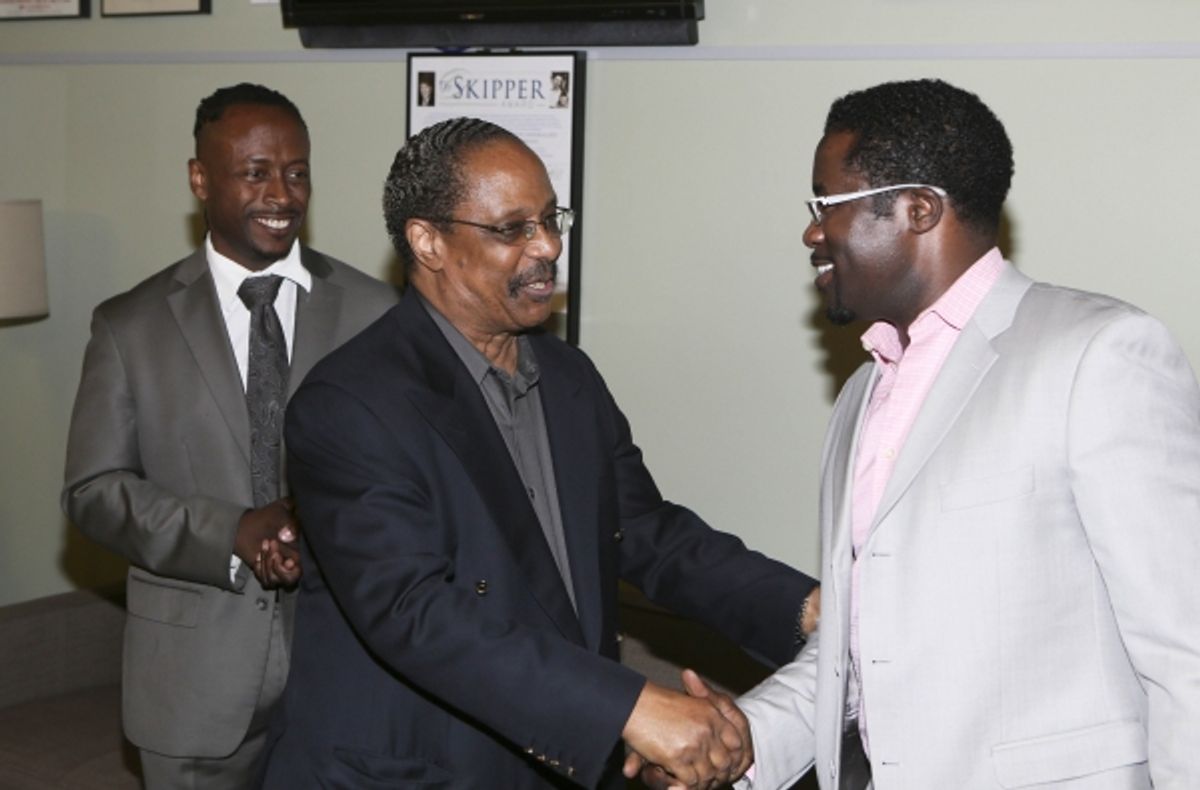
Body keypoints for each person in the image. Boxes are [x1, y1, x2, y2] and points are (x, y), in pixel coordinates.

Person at [259, 116, 820, 790]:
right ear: (428, 241)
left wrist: (804, 607)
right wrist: (627, 706)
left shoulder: (568, 377)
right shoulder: (349, 403)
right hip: (415, 768)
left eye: (552, 219)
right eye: (512, 228)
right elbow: (416, 613)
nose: (547, 245)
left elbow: (645, 533)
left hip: (561, 759)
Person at [722, 78, 1200, 789]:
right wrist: (733, 744)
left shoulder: (1098, 353)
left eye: (826, 204)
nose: (812, 231)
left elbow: (1183, 648)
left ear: (918, 209)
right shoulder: (861, 394)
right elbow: (856, 654)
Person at [61, 83, 399, 788]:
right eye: (255, 172)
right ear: (200, 179)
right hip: (191, 693)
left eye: (297, 171)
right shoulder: (131, 326)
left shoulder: (374, 313)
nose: (282, 193)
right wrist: (231, 533)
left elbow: (406, 478)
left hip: (344, 682)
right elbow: (94, 492)